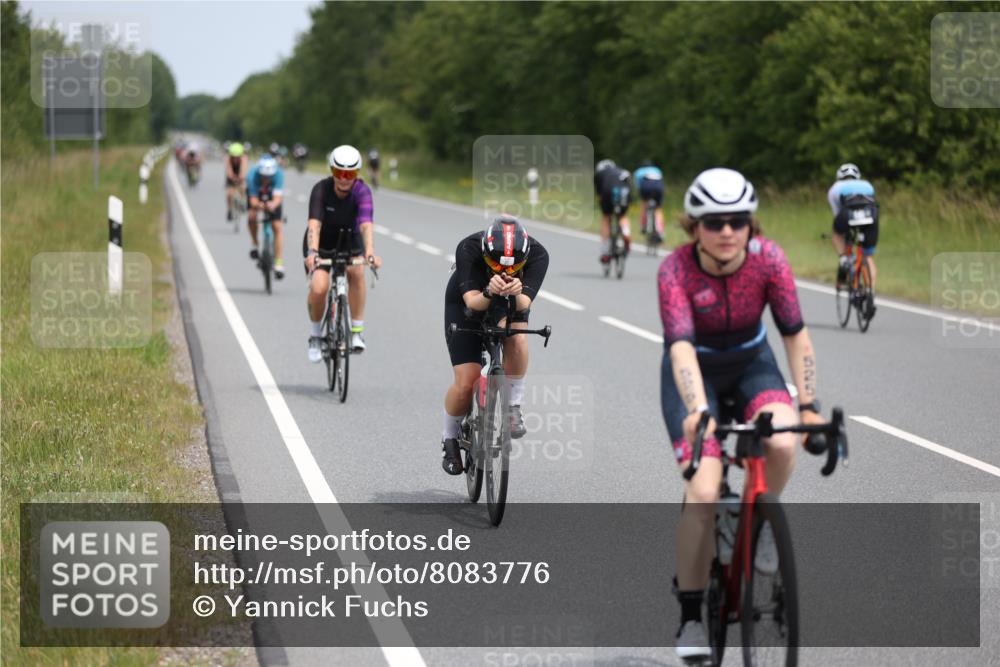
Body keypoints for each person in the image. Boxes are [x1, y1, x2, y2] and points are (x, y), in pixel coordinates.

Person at [659, 168, 825, 660]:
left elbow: (795, 336)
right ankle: (691, 617)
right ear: (695, 227)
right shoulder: (675, 271)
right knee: (705, 489)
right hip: (695, 373)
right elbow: (682, 350)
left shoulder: (770, 260)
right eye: (714, 222)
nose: (727, 230)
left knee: (780, 438)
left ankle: (760, 521)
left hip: (754, 365)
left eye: (737, 220)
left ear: (752, 224)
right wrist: (698, 411)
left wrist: (810, 407)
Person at [440, 214, 549, 475]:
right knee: (467, 381)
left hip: (511, 301)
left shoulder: (537, 255)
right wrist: (489, 291)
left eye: (513, 268)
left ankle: (513, 406)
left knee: (518, 341)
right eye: (497, 265)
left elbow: (524, 304)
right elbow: (472, 303)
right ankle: (449, 438)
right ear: (485, 252)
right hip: (469, 301)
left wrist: (515, 292)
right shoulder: (468, 248)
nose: (504, 272)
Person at [303, 145, 382, 360]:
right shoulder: (321, 189)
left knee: (356, 273)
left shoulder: (362, 191)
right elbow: (314, 225)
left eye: (350, 174)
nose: (345, 178)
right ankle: (316, 335)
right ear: (332, 171)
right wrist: (312, 251)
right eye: (339, 173)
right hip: (322, 242)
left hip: (350, 239)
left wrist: (370, 252)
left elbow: (366, 224)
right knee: (319, 287)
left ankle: (357, 332)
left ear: (357, 174)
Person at [828, 163, 879, 304]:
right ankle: (870, 291)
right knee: (868, 257)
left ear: (839, 176)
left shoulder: (835, 188)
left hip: (848, 215)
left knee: (837, 233)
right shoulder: (868, 185)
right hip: (871, 216)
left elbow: (837, 214)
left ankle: (844, 259)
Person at [246, 155, 286, 279]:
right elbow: (252, 201)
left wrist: (272, 205)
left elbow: (278, 198)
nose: (266, 179)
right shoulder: (252, 175)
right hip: (257, 195)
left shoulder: (279, 174)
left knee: (277, 226)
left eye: (269, 177)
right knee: (252, 216)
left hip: (271, 196)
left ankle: (279, 262)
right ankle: (255, 243)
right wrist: (259, 205)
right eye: (264, 176)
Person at [594, 159, 632, 264]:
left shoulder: (599, 173)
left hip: (608, 192)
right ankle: (626, 233)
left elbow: (599, 193)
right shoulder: (621, 170)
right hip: (625, 191)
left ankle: (605, 252)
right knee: (622, 215)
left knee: (606, 217)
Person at [633, 160, 665, 245]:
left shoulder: (639, 172)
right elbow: (661, 182)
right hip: (658, 188)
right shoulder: (657, 170)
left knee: (643, 205)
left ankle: (643, 225)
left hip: (645, 188)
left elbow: (638, 186)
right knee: (658, 209)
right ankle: (660, 231)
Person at [224, 141, 249, 221]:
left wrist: (241, 177)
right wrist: (231, 177)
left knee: (243, 188)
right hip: (232, 175)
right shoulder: (227, 158)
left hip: (240, 172)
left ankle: (242, 202)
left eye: (237, 157)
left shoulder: (244, 158)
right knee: (230, 193)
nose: (235, 159)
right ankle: (230, 210)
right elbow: (228, 170)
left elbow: (243, 170)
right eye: (233, 156)